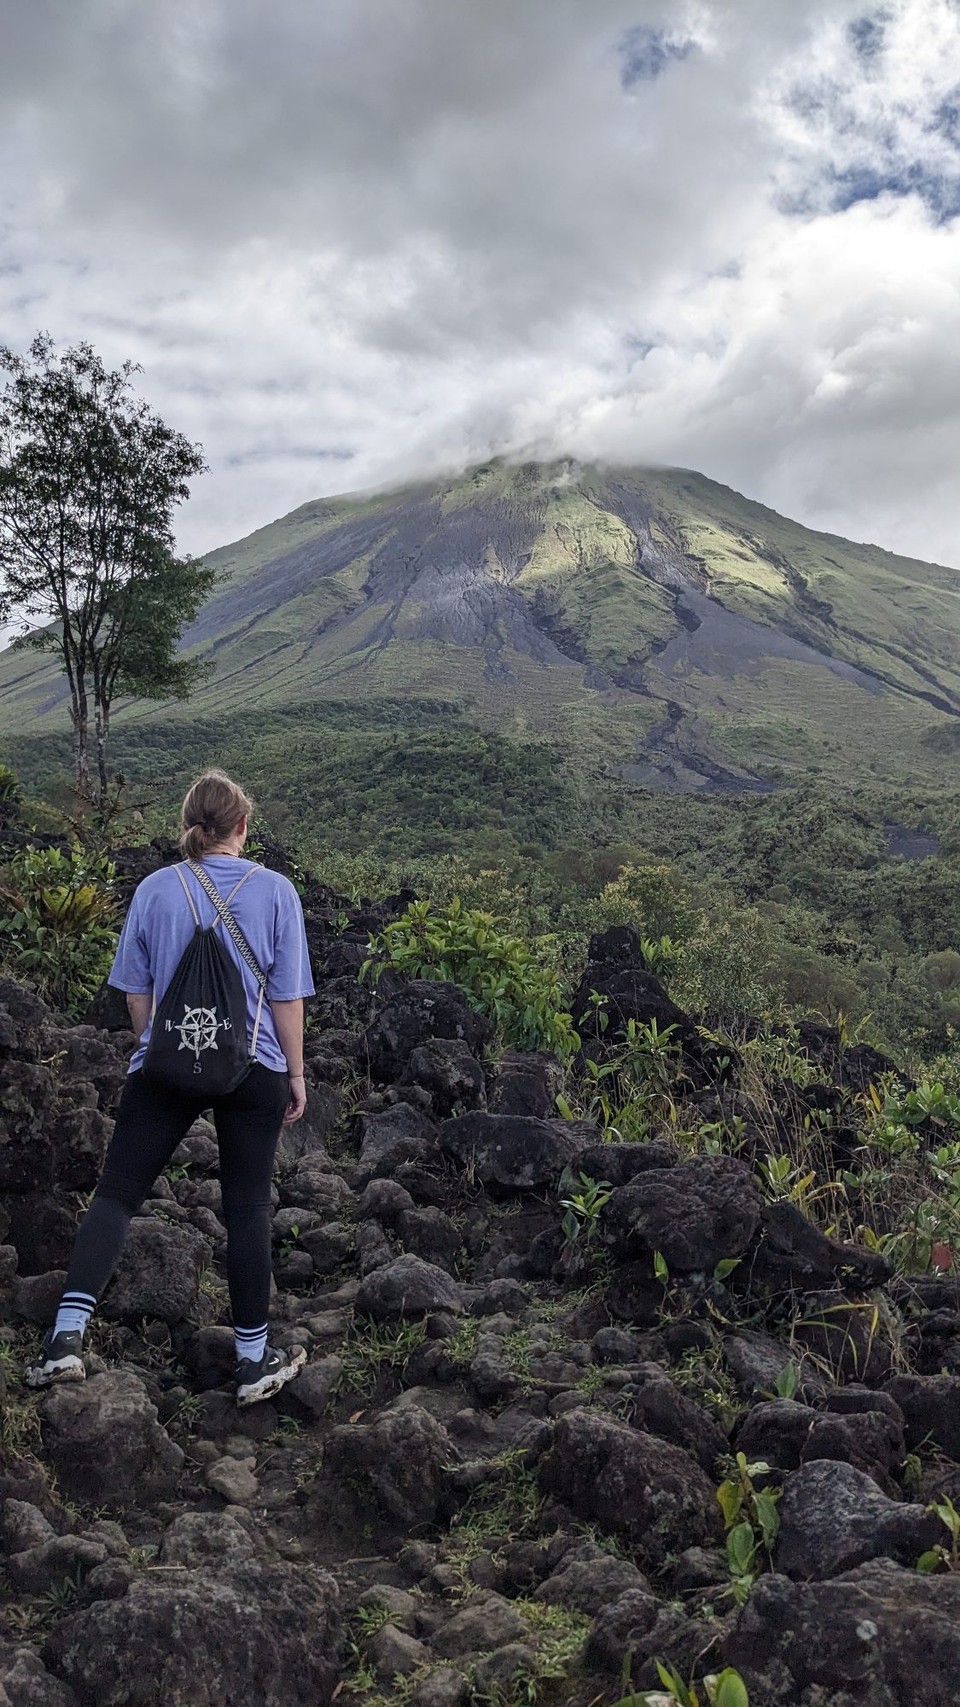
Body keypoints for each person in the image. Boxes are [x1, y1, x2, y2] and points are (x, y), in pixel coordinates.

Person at [26, 769, 314, 1406]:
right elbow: (288, 998)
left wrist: (157, 1048)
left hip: (166, 1062)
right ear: (243, 826)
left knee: (119, 1192)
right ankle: (251, 1359)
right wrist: (294, 1074)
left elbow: (136, 992)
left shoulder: (157, 888)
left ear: (190, 824)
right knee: (246, 1208)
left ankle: (65, 1341)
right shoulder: (276, 892)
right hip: (255, 1067)